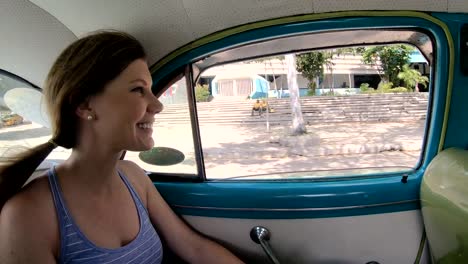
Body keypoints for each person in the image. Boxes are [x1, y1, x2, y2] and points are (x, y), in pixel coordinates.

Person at [0, 31, 244, 263]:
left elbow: (194, 248)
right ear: (85, 105)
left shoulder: (134, 177)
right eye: (138, 89)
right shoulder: (27, 215)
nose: (157, 105)